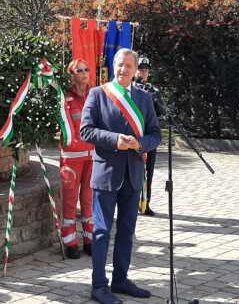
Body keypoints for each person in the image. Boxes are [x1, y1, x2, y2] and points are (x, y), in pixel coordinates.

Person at [80, 48, 161, 304]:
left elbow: (155, 134)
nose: (123, 69)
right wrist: (115, 140)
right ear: (113, 66)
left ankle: (121, 279)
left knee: (127, 230)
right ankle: (98, 285)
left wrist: (140, 144)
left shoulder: (144, 98)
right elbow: (86, 130)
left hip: (133, 174)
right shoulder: (98, 94)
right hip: (106, 173)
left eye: (128, 65)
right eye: (119, 64)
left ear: (136, 70)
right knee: (102, 231)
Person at [60, 58, 96, 259]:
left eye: (86, 69)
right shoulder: (64, 98)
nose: (83, 73)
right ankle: (70, 242)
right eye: (79, 70)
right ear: (71, 75)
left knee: (89, 199)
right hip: (71, 158)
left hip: (92, 156)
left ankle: (90, 240)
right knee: (70, 200)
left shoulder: (95, 95)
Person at [132, 55, 165, 216]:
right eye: (140, 69)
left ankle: (145, 203)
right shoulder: (129, 89)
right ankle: (132, 202)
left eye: (145, 70)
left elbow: (161, 112)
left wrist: (156, 97)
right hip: (134, 137)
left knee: (149, 171)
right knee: (133, 172)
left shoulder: (152, 90)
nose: (142, 73)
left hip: (149, 138)